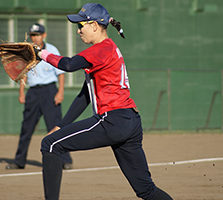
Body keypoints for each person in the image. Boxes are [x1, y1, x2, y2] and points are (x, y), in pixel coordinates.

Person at [38, 3, 173, 200]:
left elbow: (67, 64)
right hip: (131, 121)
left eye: (81, 25)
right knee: (146, 189)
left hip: (113, 120)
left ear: (94, 25)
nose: (78, 31)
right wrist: (61, 125)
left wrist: (40, 53)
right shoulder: (108, 50)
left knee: (50, 145)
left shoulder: (101, 49)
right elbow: (85, 95)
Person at [6, 23, 73, 170]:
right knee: (26, 128)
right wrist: (21, 92)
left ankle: (65, 160)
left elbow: (60, 73)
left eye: (38, 35)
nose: (35, 38)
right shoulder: (26, 52)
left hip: (50, 91)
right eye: (33, 35)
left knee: (56, 127)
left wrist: (60, 91)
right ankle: (19, 161)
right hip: (33, 93)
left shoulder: (52, 49)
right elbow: (23, 74)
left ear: (44, 35)